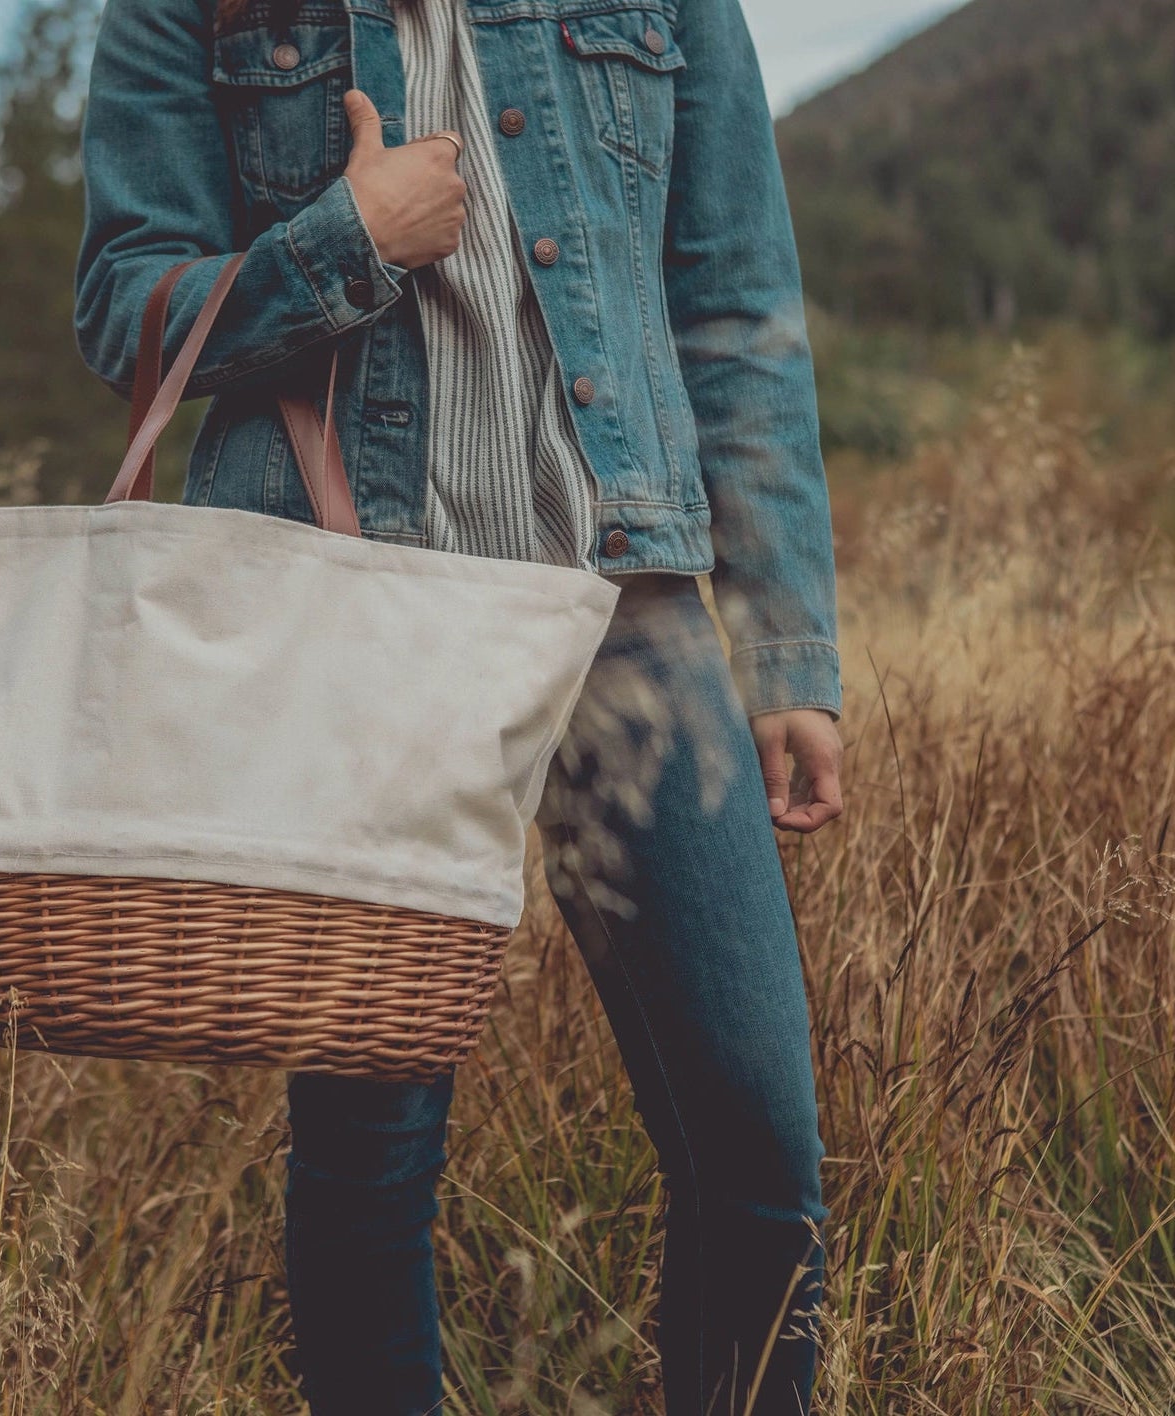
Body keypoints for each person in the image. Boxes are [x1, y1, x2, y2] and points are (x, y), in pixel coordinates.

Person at [75, 0, 846, 1410]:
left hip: (632, 615)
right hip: (360, 614)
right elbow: (125, 304)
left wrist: (790, 646)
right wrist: (342, 242)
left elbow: (734, 305)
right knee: (372, 1163)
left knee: (759, 1151)